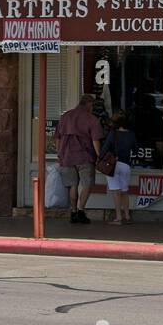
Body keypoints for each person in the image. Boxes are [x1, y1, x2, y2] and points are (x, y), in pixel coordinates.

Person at [54, 92, 102, 225]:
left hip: (66, 156)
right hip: (84, 157)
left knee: (72, 185)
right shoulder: (91, 119)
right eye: (92, 106)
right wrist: (100, 156)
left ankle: (73, 212)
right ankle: (81, 211)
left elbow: (57, 138)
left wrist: (59, 154)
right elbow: (95, 141)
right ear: (89, 105)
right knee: (87, 184)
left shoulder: (65, 117)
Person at [100, 112, 138, 225]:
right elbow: (136, 150)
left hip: (113, 165)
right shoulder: (131, 134)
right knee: (125, 191)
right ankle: (127, 216)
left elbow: (104, 149)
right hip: (126, 165)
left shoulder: (113, 134)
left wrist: (99, 158)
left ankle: (118, 217)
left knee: (116, 192)